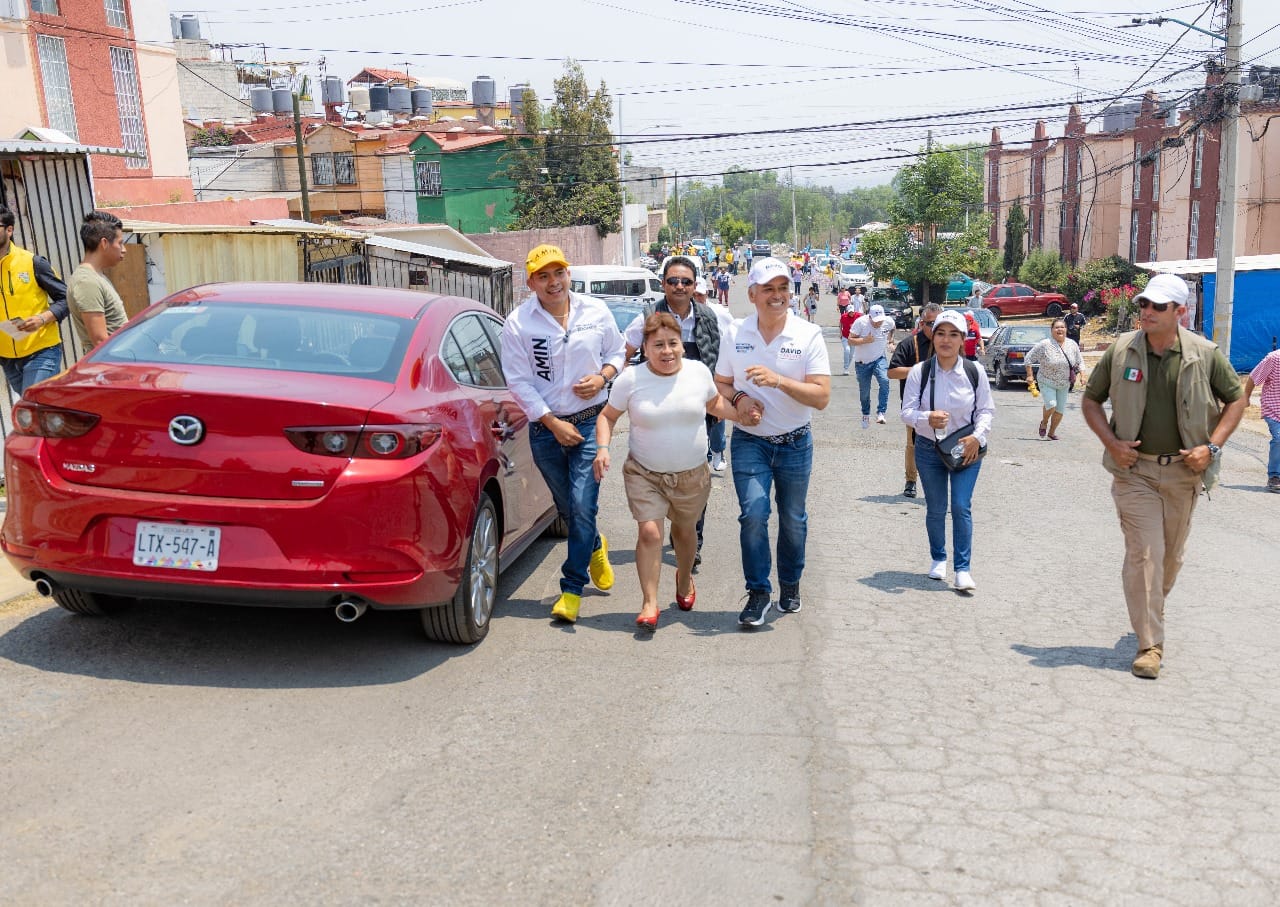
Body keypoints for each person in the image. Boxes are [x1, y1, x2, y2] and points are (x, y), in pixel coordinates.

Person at [1080, 273, 1247, 679]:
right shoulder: (1120, 351)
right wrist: (1112, 443)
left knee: (1169, 559)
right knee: (1145, 555)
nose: (1147, 312)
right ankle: (1149, 645)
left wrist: (1213, 447)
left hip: (1183, 474)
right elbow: (1089, 400)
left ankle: (1152, 606)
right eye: (1143, 305)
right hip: (1134, 471)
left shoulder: (1205, 354)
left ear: (1180, 312)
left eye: (1157, 306)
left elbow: (1237, 399)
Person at [500, 244, 626, 624]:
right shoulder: (519, 323)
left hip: (590, 422)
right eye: (544, 276)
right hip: (546, 429)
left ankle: (571, 589)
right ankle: (594, 546)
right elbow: (518, 381)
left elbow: (618, 353)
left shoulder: (596, 311)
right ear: (531, 282)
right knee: (569, 507)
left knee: (583, 503)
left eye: (559, 273)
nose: (553, 282)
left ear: (569, 275)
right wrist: (553, 423)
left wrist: (603, 376)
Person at [594, 313, 741, 630]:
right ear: (645, 348)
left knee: (684, 533)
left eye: (672, 343)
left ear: (682, 345)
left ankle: (684, 579)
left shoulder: (698, 373)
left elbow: (716, 406)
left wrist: (746, 416)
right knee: (649, 532)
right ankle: (649, 602)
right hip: (644, 473)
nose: (667, 351)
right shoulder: (630, 380)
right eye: (657, 344)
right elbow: (607, 416)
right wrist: (603, 449)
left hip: (691, 474)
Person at [714, 257, 831, 627]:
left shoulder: (807, 335)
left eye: (783, 288)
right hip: (751, 441)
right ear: (752, 294)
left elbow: (822, 396)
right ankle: (758, 592)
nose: (777, 296)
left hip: (796, 443)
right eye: (768, 289)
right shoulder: (735, 333)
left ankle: (790, 583)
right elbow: (720, 383)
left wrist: (778, 380)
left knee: (793, 519)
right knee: (754, 514)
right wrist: (739, 400)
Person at [623, 256, 726, 545]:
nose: (679, 286)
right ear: (663, 284)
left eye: (686, 281)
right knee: (656, 468)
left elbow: (724, 359)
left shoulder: (710, 317)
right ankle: (664, 525)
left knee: (696, 470)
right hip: (656, 406)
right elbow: (624, 352)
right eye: (673, 281)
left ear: (695, 286)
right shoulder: (646, 316)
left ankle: (692, 537)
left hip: (697, 408)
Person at [900, 309, 995, 592]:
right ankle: (938, 558)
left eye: (953, 334)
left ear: (963, 339)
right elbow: (906, 412)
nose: (946, 340)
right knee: (937, 507)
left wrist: (977, 438)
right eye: (941, 333)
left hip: (967, 448)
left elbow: (986, 411)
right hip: (930, 449)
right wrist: (925, 418)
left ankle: (963, 568)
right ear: (933, 335)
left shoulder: (974, 371)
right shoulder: (921, 371)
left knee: (961, 506)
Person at [0, 204, 69, 395]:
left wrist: (42, 319)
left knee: (32, 407)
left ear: (9, 229)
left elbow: (67, 298)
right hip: (7, 358)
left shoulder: (33, 263)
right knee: (36, 414)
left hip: (41, 351)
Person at [889, 303, 941, 498]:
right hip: (915, 407)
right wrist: (919, 371)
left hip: (943, 406)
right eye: (931, 323)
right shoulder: (910, 344)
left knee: (943, 444)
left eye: (939, 323)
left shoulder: (947, 344)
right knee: (914, 444)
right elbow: (892, 372)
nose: (935, 328)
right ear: (921, 323)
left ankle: (937, 483)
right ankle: (911, 480)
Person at [67, 211, 129, 351]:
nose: (124, 250)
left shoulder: (96, 276)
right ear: (104, 243)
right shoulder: (87, 282)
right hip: (112, 367)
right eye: (120, 243)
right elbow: (100, 341)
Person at [1023, 318, 1086, 440]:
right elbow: (1028, 359)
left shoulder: (1072, 344)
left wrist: (1083, 376)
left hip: (1064, 382)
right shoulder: (1044, 344)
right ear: (1051, 330)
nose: (1060, 329)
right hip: (1046, 380)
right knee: (1051, 405)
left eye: (1062, 327)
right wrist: (1030, 375)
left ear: (1066, 329)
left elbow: (1080, 361)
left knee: (1060, 410)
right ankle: (1044, 422)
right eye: (1056, 327)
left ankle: (1051, 433)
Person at [850, 303, 896, 428]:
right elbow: (850, 340)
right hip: (862, 363)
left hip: (879, 358)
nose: (878, 323)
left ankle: (881, 412)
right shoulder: (860, 323)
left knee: (885, 381)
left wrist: (891, 341)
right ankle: (865, 414)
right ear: (869, 317)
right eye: (875, 321)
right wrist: (864, 340)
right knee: (865, 392)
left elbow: (893, 327)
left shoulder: (888, 321)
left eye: (880, 320)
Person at [1243, 349, 1280, 492]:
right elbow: (1254, 377)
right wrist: (1246, 396)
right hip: (1274, 408)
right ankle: (1275, 476)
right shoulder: (1274, 358)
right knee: (1279, 438)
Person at [838, 301, 859, 376]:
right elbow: (840, 324)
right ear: (847, 311)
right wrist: (840, 332)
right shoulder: (844, 316)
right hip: (845, 337)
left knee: (851, 354)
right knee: (847, 350)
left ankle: (847, 368)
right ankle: (845, 368)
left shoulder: (858, 315)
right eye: (850, 312)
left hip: (853, 338)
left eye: (852, 312)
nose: (851, 313)